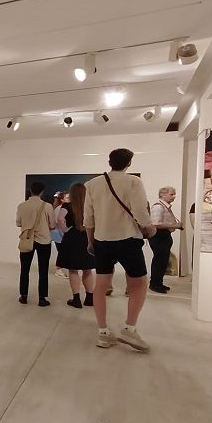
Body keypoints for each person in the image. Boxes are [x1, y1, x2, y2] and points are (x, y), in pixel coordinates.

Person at [84, 148, 156, 351]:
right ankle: (129, 328)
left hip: (102, 240)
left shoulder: (92, 184)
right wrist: (150, 228)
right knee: (139, 284)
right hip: (127, 240)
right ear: (129, 163)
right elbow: (140, 212)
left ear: (109, 162)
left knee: (101, 285)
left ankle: (103, 332)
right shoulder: (133, 182)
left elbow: (88, 218)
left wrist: (90, 242)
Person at [56, 183, 95, 308]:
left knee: (73, 270)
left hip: (72, 238)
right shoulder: (90, 206)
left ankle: (76, 299)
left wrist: (65, 230)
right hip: (86, 237)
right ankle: (90, 298)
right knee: (87, 269)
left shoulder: (67, 205)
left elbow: (60, 219)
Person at [16, 181, 54, 306]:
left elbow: (18, 223)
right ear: (42, 192)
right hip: (44, 240)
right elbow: (52, 225)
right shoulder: (47, 206)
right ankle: (42, 298)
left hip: (27, 239)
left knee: (24, 269)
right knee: (43, 270)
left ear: (31, 190)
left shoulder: (22, 206)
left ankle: (23, 296)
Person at [148, 187, 183, 293]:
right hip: (158, 236)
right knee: (159, 261)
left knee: (163, 261)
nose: (174, 196)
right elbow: (155, 224)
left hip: (164, 236)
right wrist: (175, 225)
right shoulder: (158, 207)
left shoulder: (165, 207)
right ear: (163, 195)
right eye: (172, 194)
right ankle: (154, 284)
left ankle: (158, 282)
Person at [52, 192, 70, 279]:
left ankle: (60, 269)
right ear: (62, 199)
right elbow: (59, 221)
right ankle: (58, 270)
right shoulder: (60, 209)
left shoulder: (61, 208)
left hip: (59, 234)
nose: (69, 198)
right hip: (60, 234)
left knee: (63, 252)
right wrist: (65, 231)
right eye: (67, 197)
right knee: (62, 253)